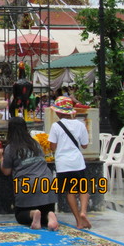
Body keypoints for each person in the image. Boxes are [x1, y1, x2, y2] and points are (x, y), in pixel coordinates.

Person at [0, 117, 59, 230]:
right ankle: (49, 215)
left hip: (27, 183)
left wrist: (1, 157)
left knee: (20, 214)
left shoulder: (11, 148)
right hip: (47, 182)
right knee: (46, 209)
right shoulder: (35, 143)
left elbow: (6, 171)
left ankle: (33, 214)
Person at [48, 96, 91, 229]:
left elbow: (52, 147)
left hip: (63, 164)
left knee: (70, 192)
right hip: (78, 162)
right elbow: (85, 145)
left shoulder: (55, 126)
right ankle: (83, 211)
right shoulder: (80, 125)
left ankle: (78, 220)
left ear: (58, 112)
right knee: (83, 190)